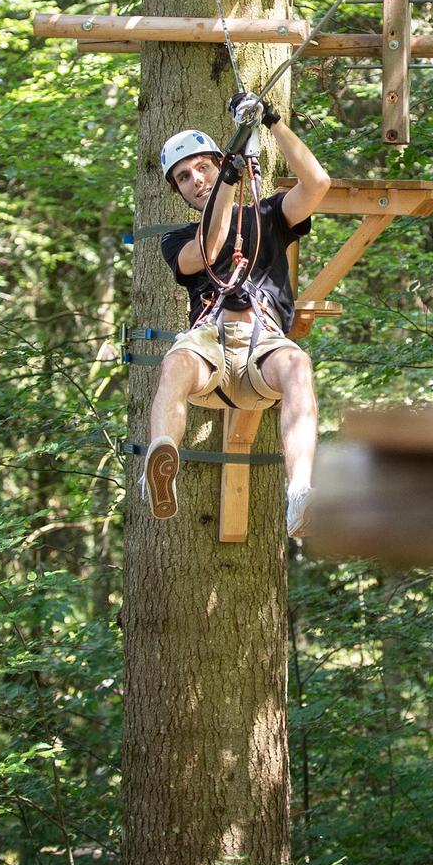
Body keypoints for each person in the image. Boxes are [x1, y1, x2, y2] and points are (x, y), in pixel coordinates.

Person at [143, 93, 330, 538]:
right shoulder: (176, 240)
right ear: (178, 192)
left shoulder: (269, 215)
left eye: (202, 168)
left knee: (298, 364)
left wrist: (272, 121)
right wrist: (228, 175)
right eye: (184, 177)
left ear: (215, 163)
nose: (196, 179)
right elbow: (210, 248)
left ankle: (300, 493)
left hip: (262, 351)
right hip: (209, 351)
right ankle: (160, 462)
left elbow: (318, 184)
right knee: (175, 361)